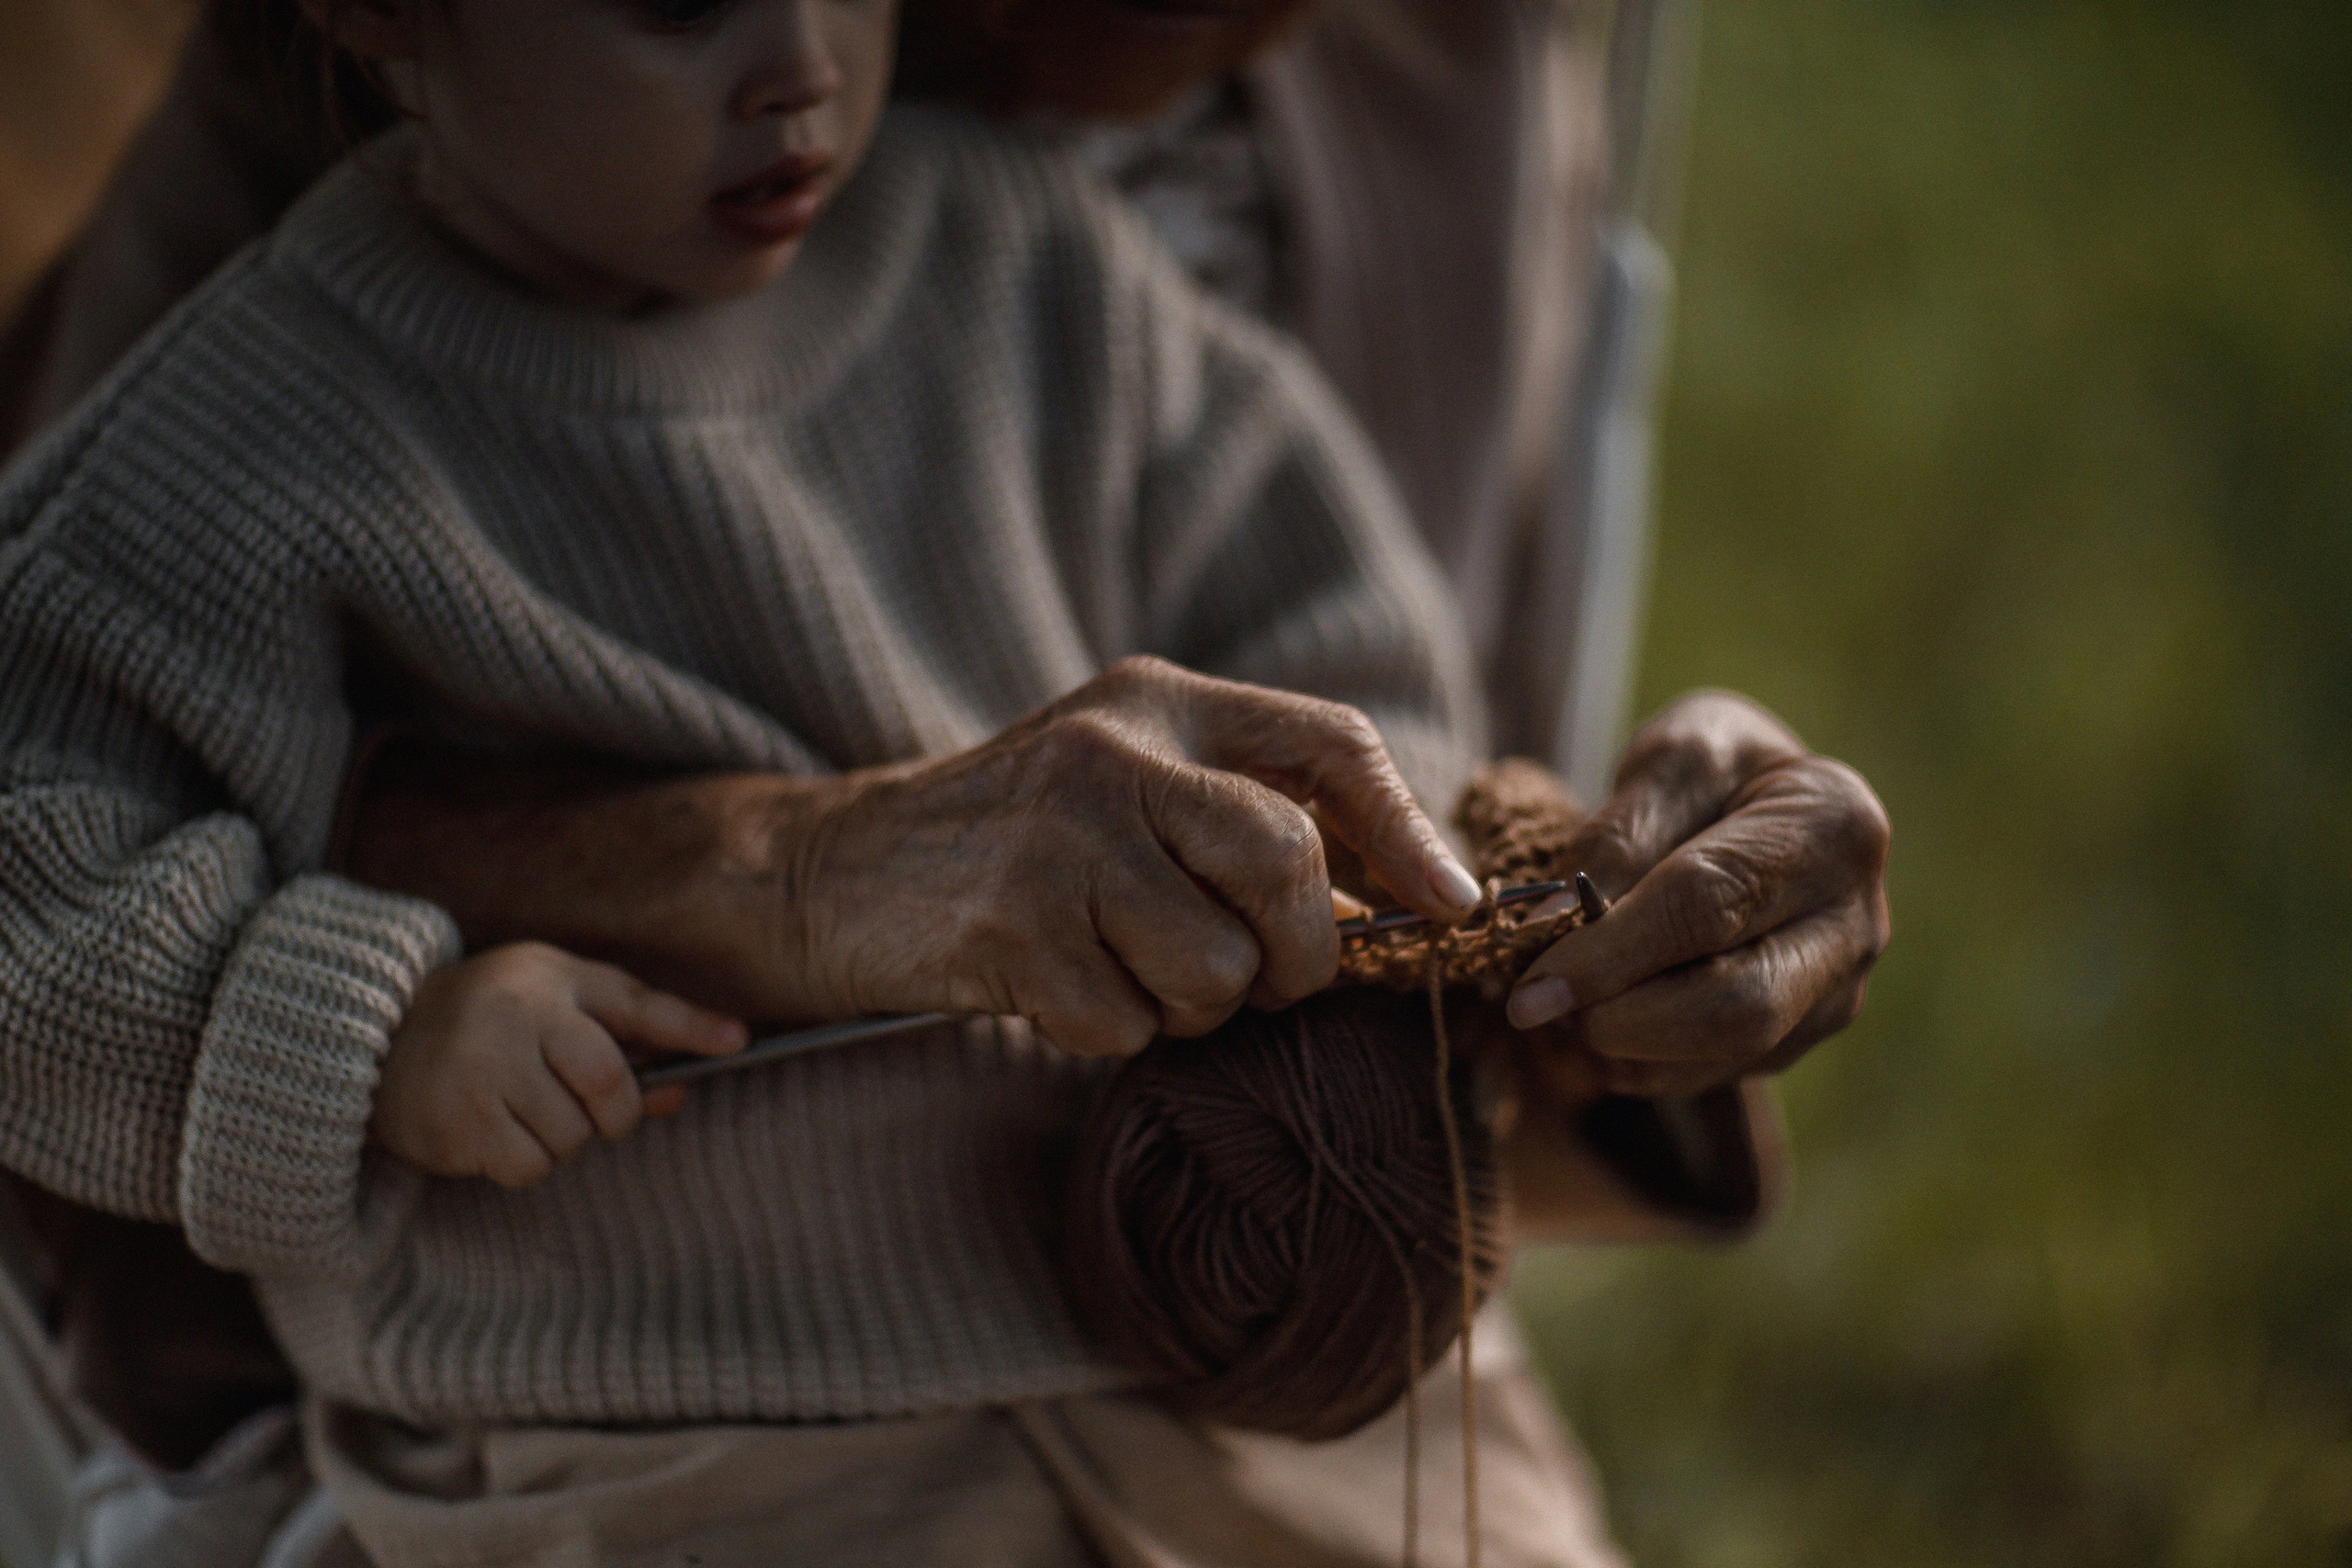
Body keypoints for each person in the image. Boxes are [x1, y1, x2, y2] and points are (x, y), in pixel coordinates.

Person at [0, 0, 1771, 1562]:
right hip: (668, 1459)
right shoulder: (250, 429)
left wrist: (1469, 877)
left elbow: (1360, 668)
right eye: (677, 1)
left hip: (1278, 1387)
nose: (799, 71)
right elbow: (31, 863)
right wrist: (372, 1038)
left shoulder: (1040, 267)